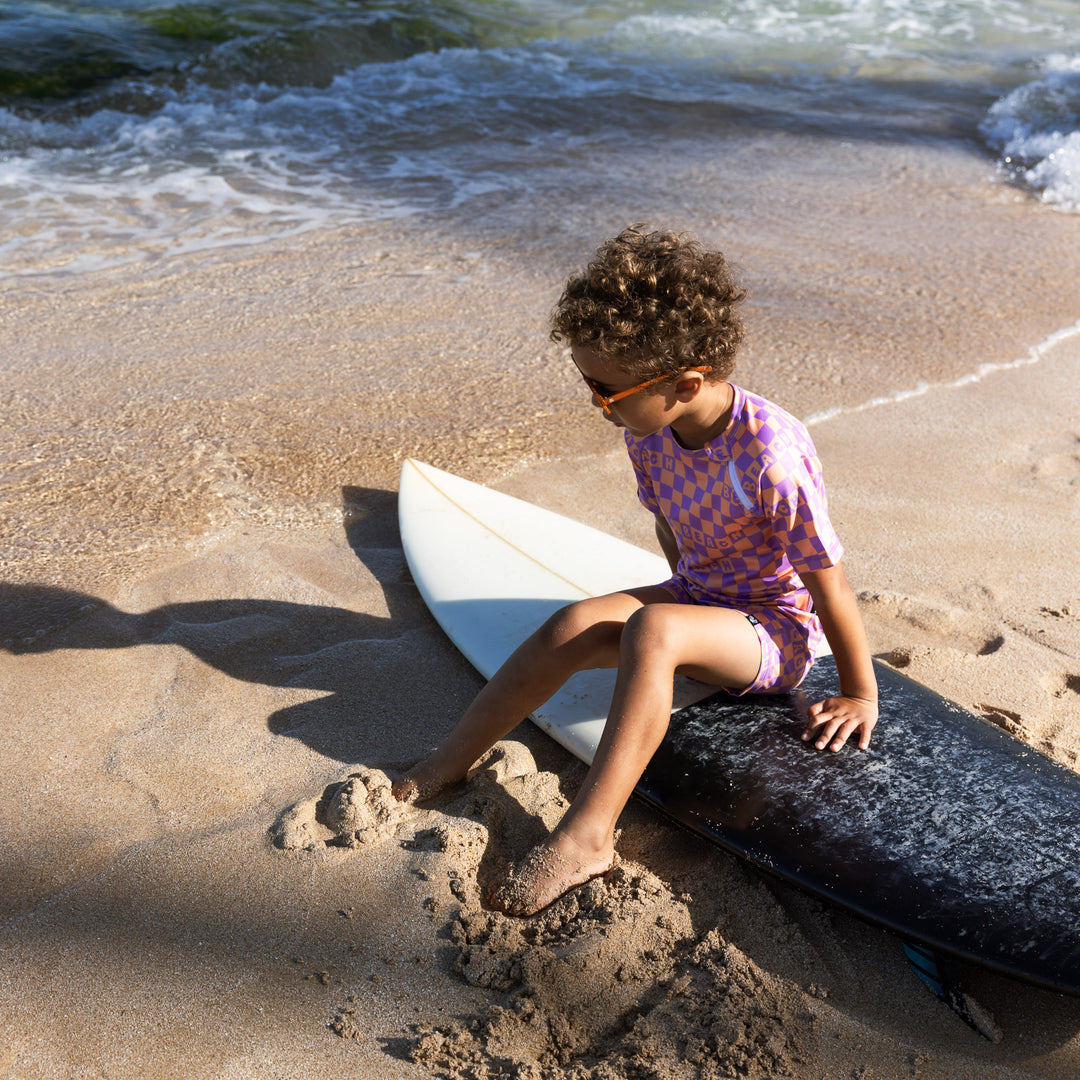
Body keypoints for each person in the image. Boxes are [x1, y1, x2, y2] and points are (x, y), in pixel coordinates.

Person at [392, 225, 878, 916]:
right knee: (573, 623)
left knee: (651, 632)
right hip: (704, 598)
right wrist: (685, 607)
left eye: (608, 389)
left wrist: (861, 692)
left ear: (685, 382)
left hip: (777, 627)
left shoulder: (770, 457)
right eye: (591, 385)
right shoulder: (648, 434)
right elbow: (669, 526)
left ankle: (589, 836)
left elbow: (827, 581)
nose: (599, 404)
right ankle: (451, 759)